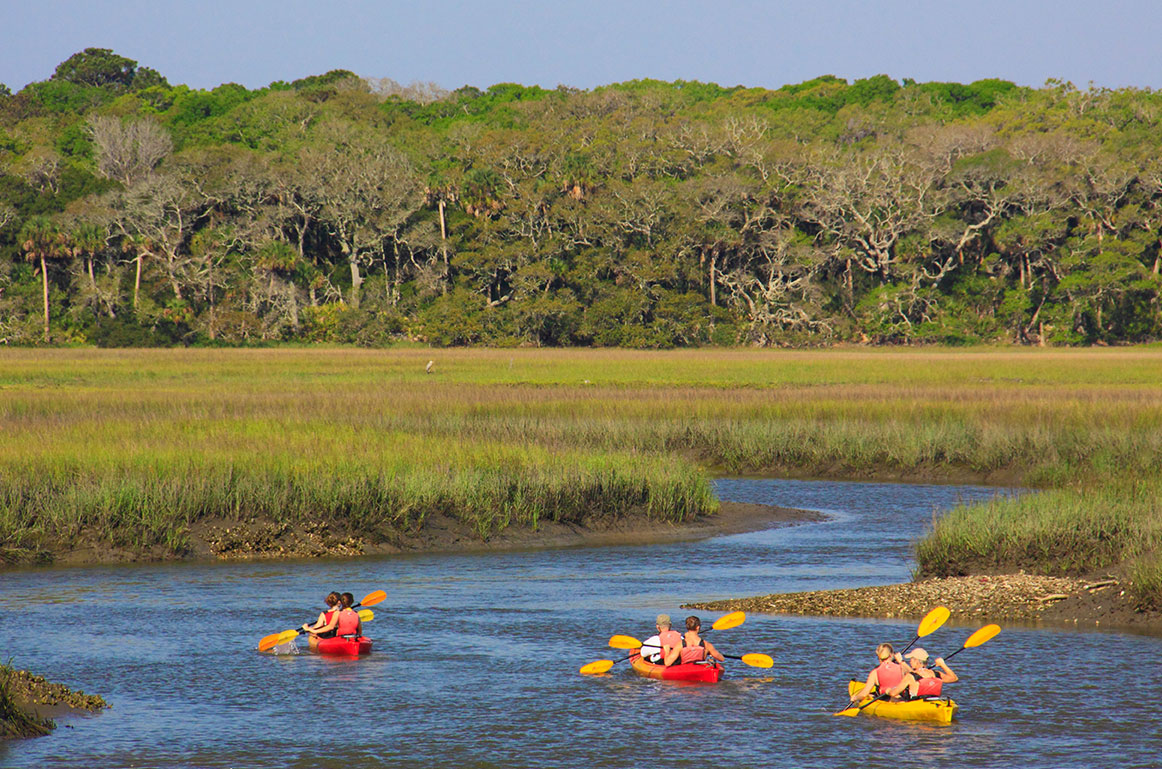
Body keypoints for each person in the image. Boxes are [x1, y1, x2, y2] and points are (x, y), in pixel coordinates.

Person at [889, 648, 958, 699]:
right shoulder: (936, 674)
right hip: (933, 702)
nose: (910, 662)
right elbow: (954, 678)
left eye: (911, 659)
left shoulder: (910, 676)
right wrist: (943, 664)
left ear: (917, 661)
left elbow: (893, 693)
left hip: (916, 705)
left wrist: (888, 691)